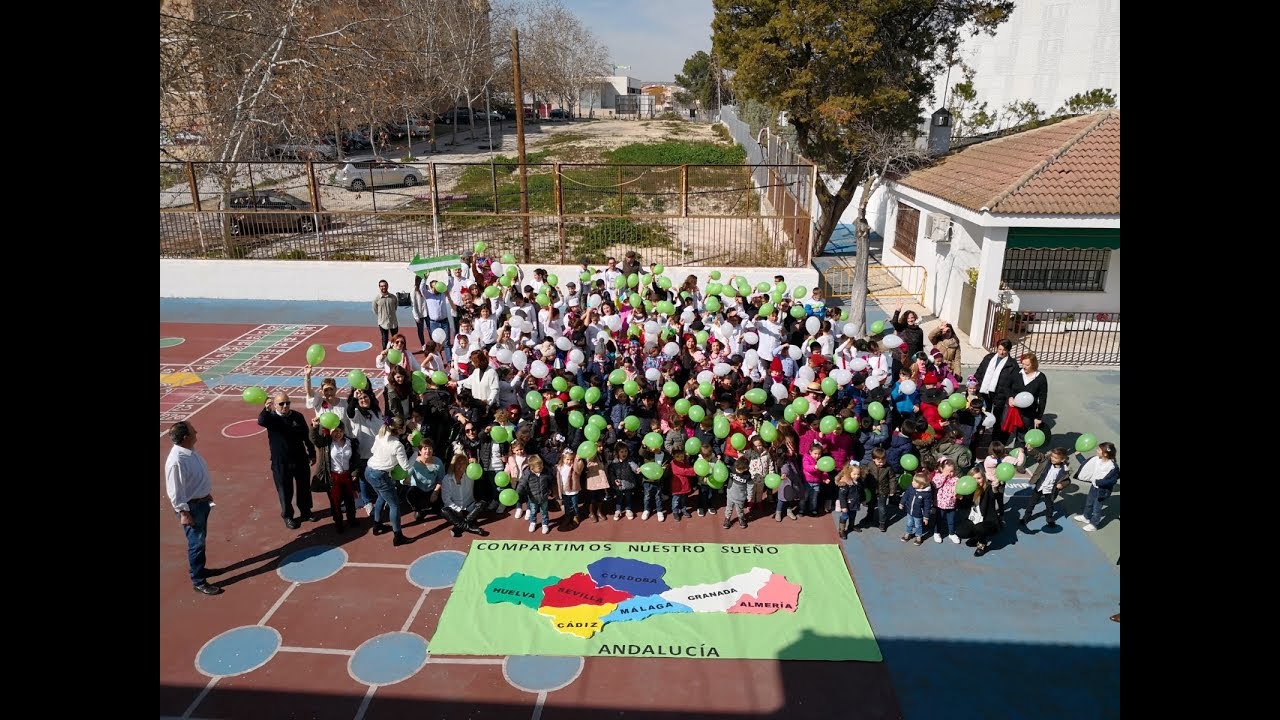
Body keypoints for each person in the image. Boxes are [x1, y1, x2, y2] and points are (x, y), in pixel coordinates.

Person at [165, 421, 222, 595]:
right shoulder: (177, 461)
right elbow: (174, 491)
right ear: (185, 437)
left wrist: (205, 493)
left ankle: (200, 570)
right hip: (192, 508)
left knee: (200, 540)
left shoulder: (189, 452)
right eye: (192, 431)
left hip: (201, 502)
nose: (196, 432)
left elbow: (193, 480)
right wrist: (183, 512)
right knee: (196, 544)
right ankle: (198, 581)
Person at [258, 393, 316, 529]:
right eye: (281, 404)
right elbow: (261, 421)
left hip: (300, 458)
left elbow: (306, 437)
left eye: (287, 403)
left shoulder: (297, 416)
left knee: (304, 487)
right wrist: (266, 409)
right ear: (275, 405)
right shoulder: (270, 418)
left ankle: (306, 511)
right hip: (281, 462)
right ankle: (288, 516)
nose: (285, 406)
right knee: (285, 490)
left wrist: (311, 453)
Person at [365, 417, 411, 546]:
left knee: (381, 496)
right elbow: (406, 467)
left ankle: (377, 525)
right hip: (380, 475)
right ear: (400, 429)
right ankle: (398, 536)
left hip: (368, 471)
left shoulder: (380, 436)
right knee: (394, 504)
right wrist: (415, 453)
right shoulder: (397, 445)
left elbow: (373, 451)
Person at [309, 417, 359, 533]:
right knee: (335, 502)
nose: (338, 434)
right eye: (335, 431)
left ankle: (351, 519)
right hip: (333, 477)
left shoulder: (350, 442)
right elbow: (314, 438)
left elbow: (355, 460)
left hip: (346, 476)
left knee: (350, 500)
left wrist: (355, 472)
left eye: (340, 431)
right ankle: (339, 523)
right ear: (330, 431)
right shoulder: (326, 443)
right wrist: (315, 427)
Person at [973, 339, 1017, 439]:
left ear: (1008, 351)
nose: (1001, 352)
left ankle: (994, 440)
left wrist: (1010, 395)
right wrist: (975, 384)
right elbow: (979, 372)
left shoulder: (1012, 364)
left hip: (1000, 395)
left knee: (998, 419)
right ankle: (978, 435)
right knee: (981, 414)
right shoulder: (989, 358)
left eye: (1004, 350)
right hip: (984, 392)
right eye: (1000, 349)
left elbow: (1014, 383)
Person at [1020, 446, 1071, 529]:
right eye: (1052, 456)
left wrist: (1062, 484)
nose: (1052, 459)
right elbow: (1038, 455)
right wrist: (1031, 449)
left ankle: (1050, 519)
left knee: (1049, 505)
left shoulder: (1064, 470)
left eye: (1055, 458)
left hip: (1051, 490)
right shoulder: (1045, 461)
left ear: (1062, 460)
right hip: (1040, 486)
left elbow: (1067, 481)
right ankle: (1026, 517)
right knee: (1031, 503)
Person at [1073, 441, 1119, 532]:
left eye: (1099, 449)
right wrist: (1079, 456)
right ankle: (1086, 517)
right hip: (1094, 487)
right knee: (1089, 503)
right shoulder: (1097, 459)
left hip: (1102, 491)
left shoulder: (1112, 467)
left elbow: (1112, 480)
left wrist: (1099, 482)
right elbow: (1087, 466)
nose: (1096, 450)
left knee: (1097, 508)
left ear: (1105, 454)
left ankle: (1094, 524)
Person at [955, 467, 1000, 556]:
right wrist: (959, 498)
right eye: (973, 479)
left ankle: (982, 544)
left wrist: (995, 489)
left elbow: (994, 495)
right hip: (973, 519)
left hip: (987, 521)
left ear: (984, 477)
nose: (976, 481)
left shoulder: (988, 489)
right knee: (960, 532)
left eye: (979, 478)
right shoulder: (968, 490)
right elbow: (962, 507)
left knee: (980, 528)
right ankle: (977, 537)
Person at [519, 454, 554, 534]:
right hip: (533, 497)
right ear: (532, 468)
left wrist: (550, 490)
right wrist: (519, 491)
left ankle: (545, 524)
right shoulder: (527, 474)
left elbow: (550, 481)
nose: (542, 467)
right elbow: (522, 483)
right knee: (533, 511)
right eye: (539, 467)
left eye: (542, 465)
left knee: (544, 511)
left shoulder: (545, 472)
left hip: (544, 496)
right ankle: (533, 522)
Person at [899, 471, 933, 545]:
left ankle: (918, 537)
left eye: (915, 482)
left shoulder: (926, 494)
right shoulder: (911, 488)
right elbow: (906, 495)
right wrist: (902, 503)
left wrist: (926, 517)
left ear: (921, 486)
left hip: (918, 514)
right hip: (909, 511)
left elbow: (927, 506)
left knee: (918, 525)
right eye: (913, 480)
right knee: (909, 523)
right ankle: (908, 533)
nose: (912, 482)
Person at [930, 457, 959, 544]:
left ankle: (951, 533)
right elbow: (936, 485)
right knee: (939, 519)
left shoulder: (955, 479)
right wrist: (944, 476)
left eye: (952, 471)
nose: (950, 473)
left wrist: (957, 491)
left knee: (951, 520)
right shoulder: (938, 477)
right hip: (940, 504)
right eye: (948, 471)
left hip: (951, 504)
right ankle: (937, 532)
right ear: (941, 469)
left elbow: (958, 488)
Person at [834, 462, 862, 538]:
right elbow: (842, 496)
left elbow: (859, 493)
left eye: (858, 474)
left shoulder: (857, 483)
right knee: (844, 517)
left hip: (854, 503)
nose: (856, 476)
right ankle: (841, 530)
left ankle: (851, 526)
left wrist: (862, 499)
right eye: (854, 474)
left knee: (853, 515)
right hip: (847, 504)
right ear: (849, 473)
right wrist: (843, 507)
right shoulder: (845, 484)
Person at [724, 455, 752, 530]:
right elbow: (728, 458)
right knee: (728, 508)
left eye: (739, 470)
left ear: (746, 469)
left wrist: (749, 496)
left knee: (740, 510)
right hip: (730, 494)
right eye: (736, 468)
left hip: (740, 497)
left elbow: (750, 486)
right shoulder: (733, 468)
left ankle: (741, 518)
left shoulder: (747, 476)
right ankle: (727, 519)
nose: (737, 470)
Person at [373, 279, 400, 350]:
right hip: (382, 322)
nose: (383, 287)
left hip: (393, 322)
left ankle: (396, 351)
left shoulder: (393, 297)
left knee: (395, 338)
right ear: (379, 287)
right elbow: (375, 310)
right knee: (384, 339)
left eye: (385, 286)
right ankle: (385, 353)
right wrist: (382, 316)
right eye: (381, 286)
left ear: (387, 286)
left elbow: (395, 307)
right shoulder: (376, 299)